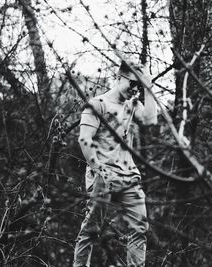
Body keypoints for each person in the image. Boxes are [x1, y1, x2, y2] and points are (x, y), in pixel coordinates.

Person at [73, 60, 158, 267]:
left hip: (129, 176)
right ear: (119, 77)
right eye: (133, 83)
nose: (135, 89)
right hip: (103, 176)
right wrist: (100, 171)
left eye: (139, 86)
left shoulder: (133, 105)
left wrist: (148, 89)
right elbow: (84, 140)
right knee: (91, 230)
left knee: (140, 227)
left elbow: (150, 121)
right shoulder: (97, 104)